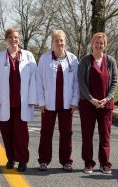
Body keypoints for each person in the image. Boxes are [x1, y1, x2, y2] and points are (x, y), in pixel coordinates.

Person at [0, 28, 37, 172]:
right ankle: (10, 158)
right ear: (6, 40)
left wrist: (32, 98)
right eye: (10, 37)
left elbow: (34, 80)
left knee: (22, 134)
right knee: (7, 132)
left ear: (19, 39)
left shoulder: (28, 56)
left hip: (21, 103)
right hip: (4, 102)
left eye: (15, 37)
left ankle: (22, 160)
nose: (13, 40)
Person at [37, 30, 79, 172]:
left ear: (65, 42)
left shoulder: (73, 59)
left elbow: (76, 83)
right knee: (46, 132)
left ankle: (66, 161)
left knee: (66, 133)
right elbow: (39, 81)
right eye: (56, 40)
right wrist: (41, 102)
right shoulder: (44, 58)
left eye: (61, 40)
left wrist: (75, 101)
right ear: (52, 42)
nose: (59, 43)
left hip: (67, 104)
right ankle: (43, 160)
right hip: (49, 103)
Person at [78, 32, 118, 174]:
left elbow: (114, 82)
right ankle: (88, 163)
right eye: (96, 42)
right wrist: (91, 99)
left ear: (105, 44)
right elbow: (81, 82)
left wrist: (107, 98)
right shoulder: (85, 61)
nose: (99, 45)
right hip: (88, 104)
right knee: (87, 136)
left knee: (105, 136)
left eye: (101, 43)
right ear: (92, 43)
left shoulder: (111, 61)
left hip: (105, 105)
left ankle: (105, 163)